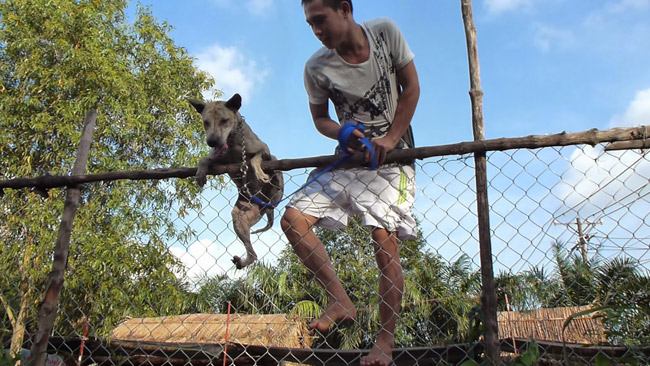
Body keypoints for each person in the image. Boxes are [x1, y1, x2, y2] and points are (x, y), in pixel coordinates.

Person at [280, 0, 420, 365]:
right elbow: (320, 119)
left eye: (320, 20)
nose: (316, 30)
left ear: (344, 9)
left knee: (382, 238)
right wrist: (341, 131)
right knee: (293, 218)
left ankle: (384, 344)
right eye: (310, 24)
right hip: (350, 161)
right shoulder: (315, 67)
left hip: (395, 159)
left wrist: (390, 138)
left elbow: (412, 88)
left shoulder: (385, 34)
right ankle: (340, 298)